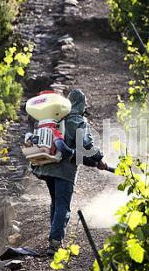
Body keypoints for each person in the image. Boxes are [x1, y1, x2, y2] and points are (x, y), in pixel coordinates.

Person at [32, 88, 108, 256]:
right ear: (81, 104)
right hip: (64, 171)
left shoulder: (57, 116)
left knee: (55, 204)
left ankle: (54, 238)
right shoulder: (77, 120)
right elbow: (86, 144)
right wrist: (99, 158)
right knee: (62, 206)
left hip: (47, 166)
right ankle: (55, 242)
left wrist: (93, 161)